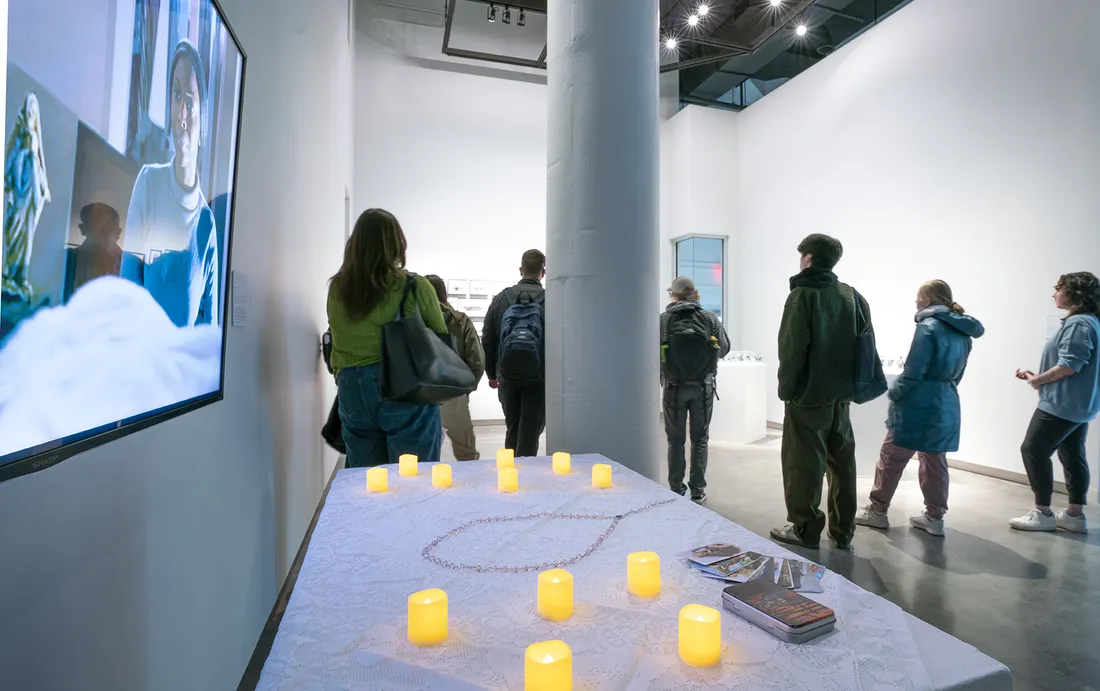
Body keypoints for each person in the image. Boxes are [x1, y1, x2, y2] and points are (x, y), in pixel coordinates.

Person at [855, 281, 984, 537]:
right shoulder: (963, 332)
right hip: (946, 400)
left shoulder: (927, 327)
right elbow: (958, 374)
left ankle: (878, 511)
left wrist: (894, 394)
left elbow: (913, 372)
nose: (915, 302)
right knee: (935, 461)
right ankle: (935, 518)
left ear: (926, 299)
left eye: (917, 297)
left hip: (918, 402)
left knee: (892, 456)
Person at [327, 209, 449, 467]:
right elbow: (441, 336)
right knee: (413, 476)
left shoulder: (338, 288)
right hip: (403, 385)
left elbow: (336, 336)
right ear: (397, 242)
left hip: (352, 388)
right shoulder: (414, 286)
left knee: (366, 477)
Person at [772, 234, 867, 550]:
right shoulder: (851, 295)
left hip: (808, 397)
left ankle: (805, 529)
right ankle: (843, 530)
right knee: (843, 463)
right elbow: (864, 344)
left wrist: (787, 390)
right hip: (841, 397)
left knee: (804, 465)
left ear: (809, 258)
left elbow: (791, 349)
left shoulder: (802, 295)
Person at [124, 39, 218, 327]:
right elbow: (126, 293)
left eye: (189, 102)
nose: (181, 115)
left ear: (202, 116)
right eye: (176, 96)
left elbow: (208, 335)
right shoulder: (148, 183)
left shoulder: (206, 225)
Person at [1009, 272, 1100, 534]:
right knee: (1072, 454)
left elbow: (1069, 366)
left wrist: (1038, 380)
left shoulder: (1079, 323)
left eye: (1058, 288)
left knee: (1033, 450)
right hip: (1078, 405)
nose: (1054, 294)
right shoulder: (1090, 321)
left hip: (1061, 405)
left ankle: (1043, 513)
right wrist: (1038, 377)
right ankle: (1074, 515)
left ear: (1075, 293)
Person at [660, 276, 730, 503]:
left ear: (674, 296)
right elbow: (724, 348)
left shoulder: (664, 319)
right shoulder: (709, 317)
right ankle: (698, 491)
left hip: (674, 387)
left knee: (675, 441)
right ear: (695, 294)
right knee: (700, 440)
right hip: (703, 387)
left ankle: (676, 489)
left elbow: (653, 351)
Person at [483, 250, 546, 458]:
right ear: (543, 272)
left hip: (507, 374)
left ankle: (509, 469)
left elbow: (488, 338)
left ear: (521, 270)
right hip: (539, 377)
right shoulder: (551, 300)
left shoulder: (501, 299)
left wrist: (491, 373)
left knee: (512, 425)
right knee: (531, 431)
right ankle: (526, 471)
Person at [427, 274, 485, 460]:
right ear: (444, 294)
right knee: (466, 453)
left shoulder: (414, 319)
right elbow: (477, 362)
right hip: (453, 391)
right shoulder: (460, 320)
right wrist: (465, 389)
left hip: (421, 396)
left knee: (422, 457)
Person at [70, 203, 123, 294]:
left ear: (118, 233)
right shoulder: (66, 259)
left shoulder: (131, 265)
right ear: (83, 229)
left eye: (108, 230)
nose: (102, 238)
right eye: (96, 229)